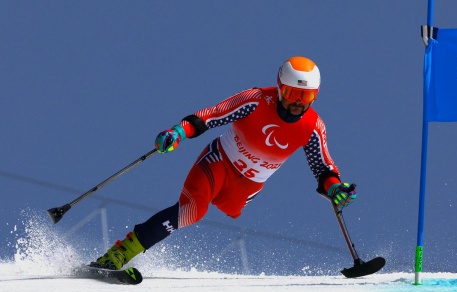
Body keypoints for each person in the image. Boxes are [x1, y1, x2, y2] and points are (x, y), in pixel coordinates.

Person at [91, 56, 358, 270]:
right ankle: (117, 255)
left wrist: (335, 188)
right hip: (219, 163)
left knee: (229, 209)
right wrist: (178, 132)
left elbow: (323, 168)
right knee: (191, 210)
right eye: (292, 94)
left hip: (247, 188)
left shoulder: (313, 127)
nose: (298, 104)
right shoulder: (254, 100)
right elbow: (211, 116)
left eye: (306, 97)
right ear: (279, 89)